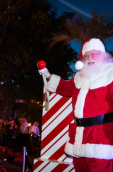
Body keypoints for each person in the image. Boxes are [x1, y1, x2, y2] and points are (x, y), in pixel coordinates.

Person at [39, 38, 113, 172]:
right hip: (78, 137)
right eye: (87, 55)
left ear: (103, 54)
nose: (90, 58)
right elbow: (64, 87)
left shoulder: (111, 73)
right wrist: (48, 75)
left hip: (101, 139)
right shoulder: (80, 76)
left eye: (94, 53)